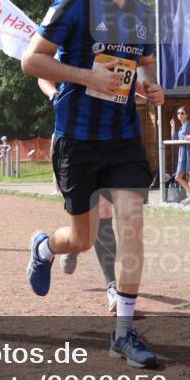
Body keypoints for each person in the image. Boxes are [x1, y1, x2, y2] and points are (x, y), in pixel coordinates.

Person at [21, 0, 165, 366]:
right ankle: (44, 248)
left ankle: (124, 332)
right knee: (81, 239)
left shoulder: (142, 14)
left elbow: (144, 69)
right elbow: (32, 60)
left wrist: (151, 89)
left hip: (122, 138)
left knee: (131, 227)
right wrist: (87, 77)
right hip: (78, 139)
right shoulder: (75, 4)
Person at [38, 78, 119, 313]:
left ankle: (112, 286)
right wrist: (54, 96)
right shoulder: (69, 46)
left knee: (104, 215)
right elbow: (42, 73)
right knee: (83, 216)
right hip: (73, 142)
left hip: (110, 138)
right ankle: (73, 244)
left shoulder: (117, 47)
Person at [169, 106, 190, 200]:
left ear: (187, 115)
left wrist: (179, 141)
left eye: (182, 113)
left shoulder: (189, 124)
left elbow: (184, 137)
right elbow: (175, 139)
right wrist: (172, 126)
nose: (180, 115)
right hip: (182, 153)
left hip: (188, 151)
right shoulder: (180, 127)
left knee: (189, 175)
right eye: (178, 113)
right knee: (178, 177)